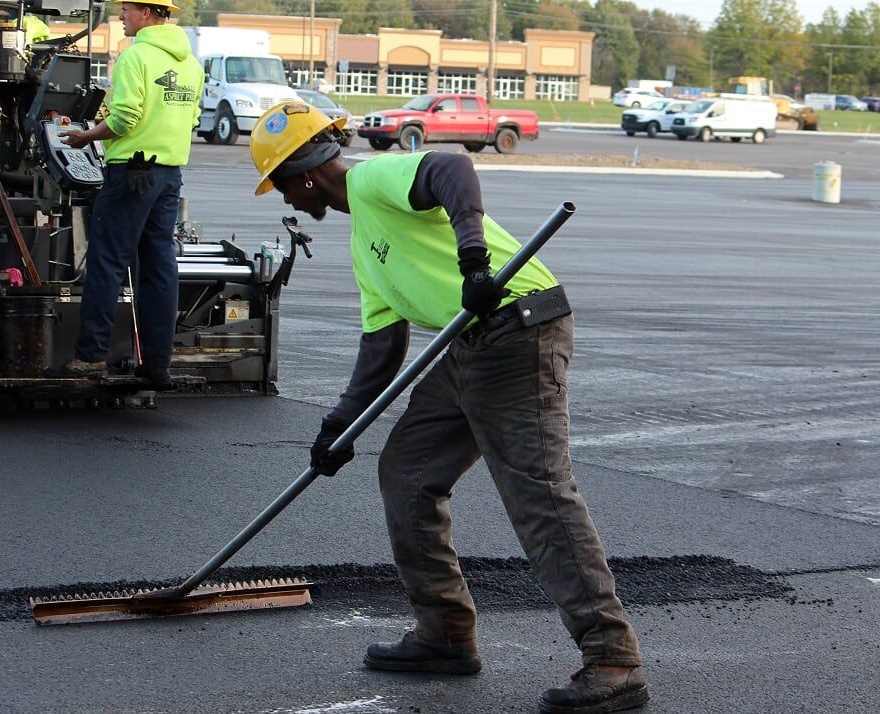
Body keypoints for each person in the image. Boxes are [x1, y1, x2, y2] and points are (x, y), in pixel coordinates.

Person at [249, 102, 648, 714]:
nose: (286, 202)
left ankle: (612, 658)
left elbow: (452, 168)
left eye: (281, 187)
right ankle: (444, 633)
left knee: (538, 492)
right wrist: (338, 427)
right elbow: (382, 346)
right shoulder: (363, 241)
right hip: (467, 346)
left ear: (304, 177)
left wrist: (474, 260)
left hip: (517, 329)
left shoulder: (372, 179)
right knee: (407, 472)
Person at [45, 1, 202, 388]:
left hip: (132, 173)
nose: (121, 16)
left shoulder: (136, 58)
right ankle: (156, 365)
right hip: (168, 175)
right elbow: (192, 118)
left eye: (127, 9)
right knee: (159, 267)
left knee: (107, 262)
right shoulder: (191, 64)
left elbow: (124, 118)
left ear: (148, 13)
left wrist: (87, 135)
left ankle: (90, 356)